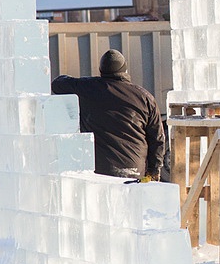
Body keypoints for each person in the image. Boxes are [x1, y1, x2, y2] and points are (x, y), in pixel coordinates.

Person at [51, 49, 165, 180]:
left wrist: (87, 81)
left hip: (100, 173)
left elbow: (57, 84)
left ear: (101, 71)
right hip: (134, 171)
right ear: (125, 70)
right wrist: (153, 171)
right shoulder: (144, 97)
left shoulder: (87, 88)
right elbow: (157, 138)